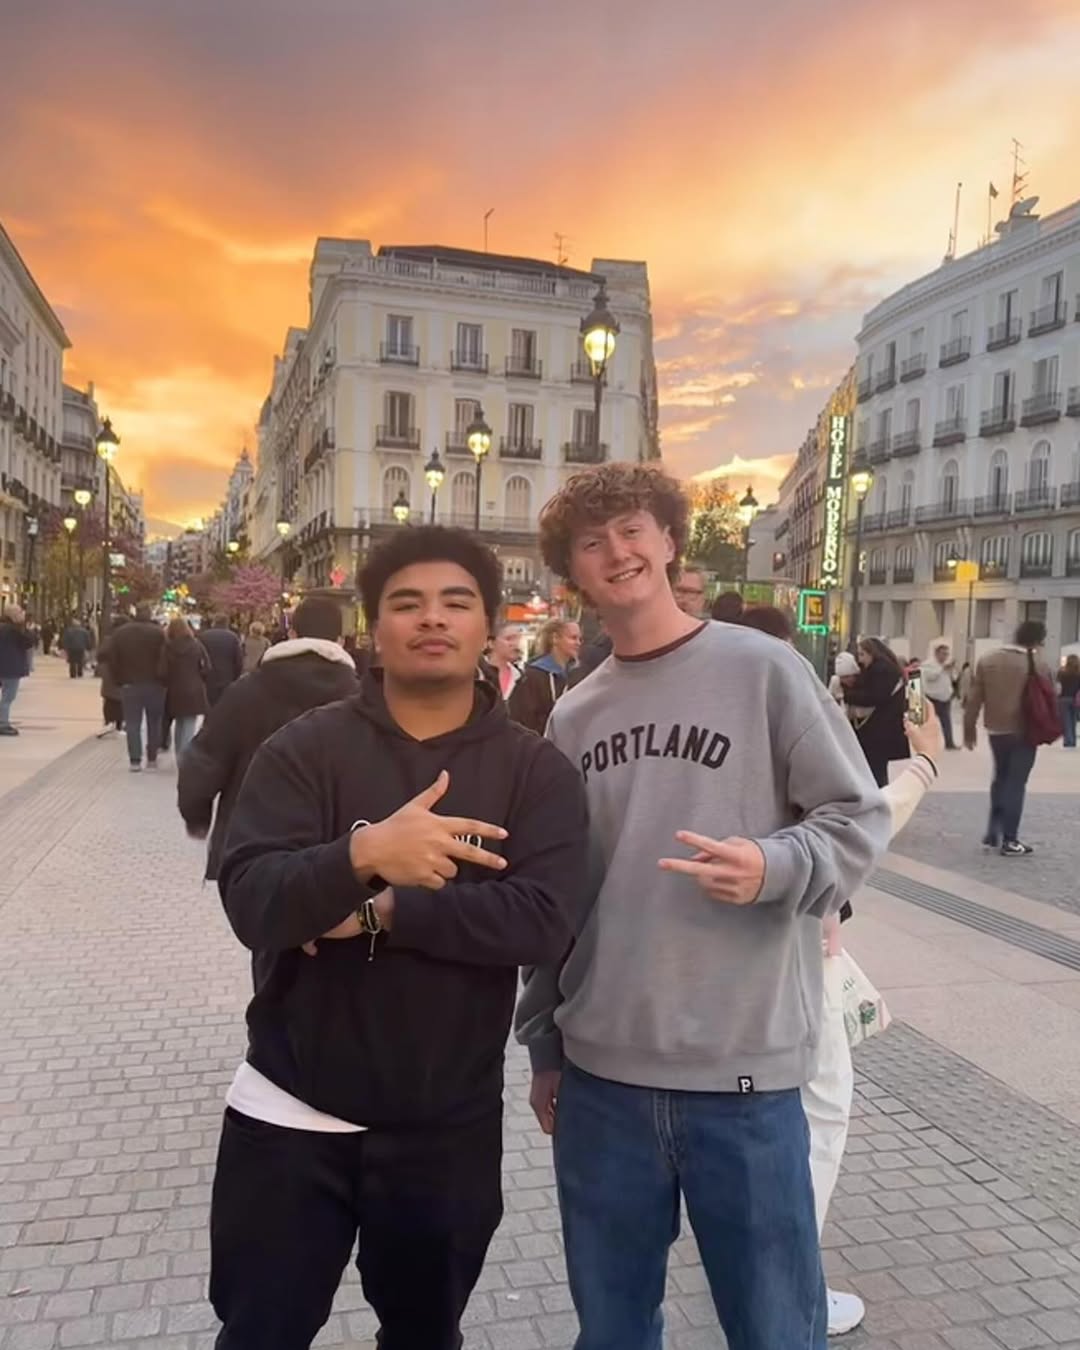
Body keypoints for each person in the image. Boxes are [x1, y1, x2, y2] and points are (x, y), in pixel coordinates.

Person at [516, 462, 889, 1350]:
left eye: (633, 530)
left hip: (745, 1079)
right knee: (612, 1330)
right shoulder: (574, 717)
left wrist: (773, 865)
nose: (617, 552)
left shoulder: (765, 670)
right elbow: (560, 892)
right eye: (592, 542)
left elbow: (857, 819)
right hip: (603, 1081)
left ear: (671, 540)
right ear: (573, 573)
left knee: (774, 1330)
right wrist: (544, 1044)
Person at [209, 526, 588, 1350]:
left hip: (445, 1123)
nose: (432, 619)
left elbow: (543, 919)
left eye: (456, 602)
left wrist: (385, 910)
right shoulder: (303, 748)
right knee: (260, 1332)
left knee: (425, 1334)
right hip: (291, 1108)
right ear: (373, 628)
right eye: (407, 603)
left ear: (488, 626)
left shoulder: (535, 772)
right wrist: (365, 854)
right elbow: (252, 900)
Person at [804, 711, 943, 1334]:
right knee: (821, 1110)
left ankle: (752, 1259)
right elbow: (860, 825)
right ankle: (792, 1281)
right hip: (794, 957)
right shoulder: (776, 706)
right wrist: (925, 764)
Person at [178, 596, 361, 881]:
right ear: (340, 640)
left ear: (292, 634)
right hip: (337, 851)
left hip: (249, 843)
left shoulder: (246, 691)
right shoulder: (360, 699)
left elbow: (204, 759)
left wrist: (197, 815)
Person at [964, 619, 1053, 855]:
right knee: (1016, 782)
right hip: (1024, 730)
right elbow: (1050, 695)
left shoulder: (988, 659)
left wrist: (968, 728)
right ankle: (1010, 839)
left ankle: (993, 831)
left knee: (1000, 778)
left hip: (996, 730)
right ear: (1037, 640)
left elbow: (974, 698)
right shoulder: (1037, 663)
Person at [105, 605, 166, 770]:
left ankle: (135, 760)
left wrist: (118, 679)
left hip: (129, 684)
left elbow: (112, 658)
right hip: (155, 684)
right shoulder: (158, 633)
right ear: (149, 614)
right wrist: (164, 679)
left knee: (132, 723)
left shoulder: (121, 633)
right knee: (154, 722)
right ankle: (152, 758)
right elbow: (166, 657)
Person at [843, 636, 909, 787]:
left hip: (879, 728)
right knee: (877, 769)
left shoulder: (880, 669)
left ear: (872, 653)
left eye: (862, 654)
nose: (860, 659)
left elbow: (874, 696)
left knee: (875, 770)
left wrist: (847, 696)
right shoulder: (889, 668)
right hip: (886, 727)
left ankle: (878, 797)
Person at [507, 618, 581, 734]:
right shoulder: (532, 676)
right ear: (555, 638)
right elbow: (523, 719)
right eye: (573, 638)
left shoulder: (576, 675)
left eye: (579, 639)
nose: (578, 643)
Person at [159, 618, 210, 759]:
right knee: (188, 724)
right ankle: (185, 757)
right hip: (194, 690)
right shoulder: (197, 645)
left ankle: (179, 755)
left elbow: (162, 671)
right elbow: (207, 667)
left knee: (179, 723)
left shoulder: (167, 648)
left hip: (174, 691)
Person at [0, 605, 36, 737]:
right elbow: (29, 642)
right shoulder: (15, 630)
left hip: (4, 666)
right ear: (14, 615)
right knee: (8, 697)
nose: (23, 613)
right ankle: (3, 723)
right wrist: (25, 626)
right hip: (10, 667)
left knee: (6, 696)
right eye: (20, 612)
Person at [198, 614, 244, 706]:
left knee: (209, 704)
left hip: (209, 677)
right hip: (227, 676)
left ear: (214, 622)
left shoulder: (203, 636)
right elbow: (239, 660)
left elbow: (199, 657)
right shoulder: (233, 637)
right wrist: (236, 676)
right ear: (227, 623)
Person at [921, 640, 957, 750]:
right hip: (932, 697)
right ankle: (926, 743)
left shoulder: (946, 665)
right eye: (943, 654)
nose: (945, 656)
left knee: (946, 721)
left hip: (945, 697)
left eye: (947, 654)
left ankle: (949, 743)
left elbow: (954, 678)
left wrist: (951, 670)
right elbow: (930, 677)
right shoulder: (928, 664)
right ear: (936, 653)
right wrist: (942, 669)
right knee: (930, 723)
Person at [96, 615, 128, 736]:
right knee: (119, 700)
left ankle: (110, 722)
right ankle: (118, 724)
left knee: (110, 700)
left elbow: (100, 656)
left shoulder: (109, 639)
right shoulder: (121, 639)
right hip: (119, 674)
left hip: (110, 674)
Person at [486, 622, 524, 700]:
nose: (515, 644)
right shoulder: (477, 675)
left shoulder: (522, 677)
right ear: (491, 643)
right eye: (509, 639)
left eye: (518, 639)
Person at [1057, 654, 1080, 749]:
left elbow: (1058, 685)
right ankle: (1073, 740)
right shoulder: (1078, 673)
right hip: (1075, 699)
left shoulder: (1061, 673)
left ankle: (1068, 740)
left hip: (1063, 698)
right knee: (1073, 721)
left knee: (1066, 721)